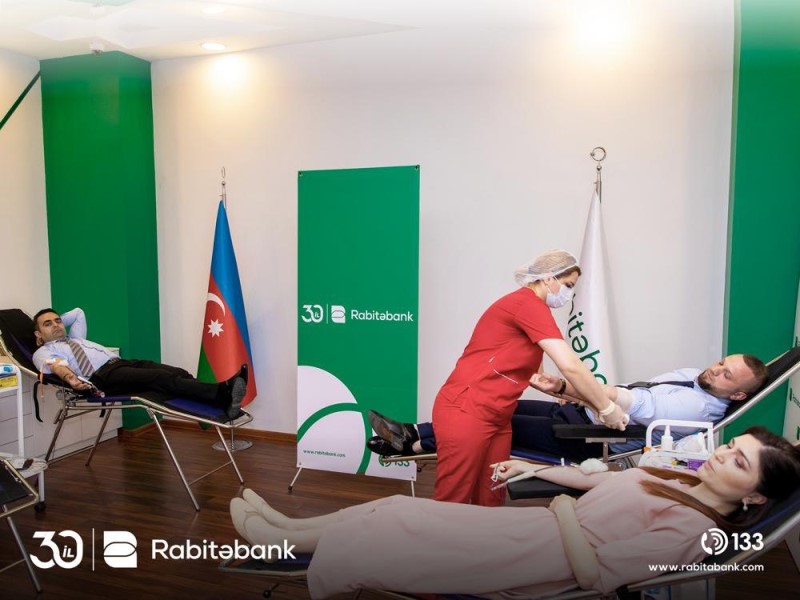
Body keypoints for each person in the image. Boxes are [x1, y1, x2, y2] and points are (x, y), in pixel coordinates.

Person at [229, 426, 800, 599]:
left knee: (396, 530)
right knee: (394, 506)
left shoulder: (694, 531)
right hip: (535, 527)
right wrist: (532, 467)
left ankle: (294, 549)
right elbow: (593, 480)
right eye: (731, 445)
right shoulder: (677, 476)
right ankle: (288, 531)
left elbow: (594, 574)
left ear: (755, 497)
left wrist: (562, 508)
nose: (721, 454)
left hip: (540, 557)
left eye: (739, 462)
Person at [430, 249, 628, 506]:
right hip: (467, 407)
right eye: (568, 285)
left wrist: (589, 403)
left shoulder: (534, 310)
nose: (568, 294)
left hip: (498, 415)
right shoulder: (526, 305)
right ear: (548, 277)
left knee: (492, 492)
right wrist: (607, 407)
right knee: (452, 500)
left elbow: (540, 378)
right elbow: (570, 366)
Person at [367, 353, 768, 461]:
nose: (716, 371)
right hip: (581, 413)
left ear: (737, 396)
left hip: (588, 438)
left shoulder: (697, 410)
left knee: (491, 423)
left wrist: (567, 384)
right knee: (493, 403)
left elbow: (628, 401)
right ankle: (412, 434)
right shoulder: (694, 376)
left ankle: (412, 443)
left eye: (727, 375)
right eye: (722, 363)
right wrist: (568, 392)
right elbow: (616, 395)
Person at [32, 307, 247, 419]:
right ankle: (221, 393)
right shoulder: (43, 351)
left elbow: (78, 312)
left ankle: (220, 403)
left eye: (58, 321)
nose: (56, 325)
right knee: (160, 378)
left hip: (121, 364)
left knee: (178, 372)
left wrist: (54, 324)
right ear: (38, 334)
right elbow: (57, 366)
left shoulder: (75, 337)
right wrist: (71, 379)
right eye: (47, 324)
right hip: (102, 377)